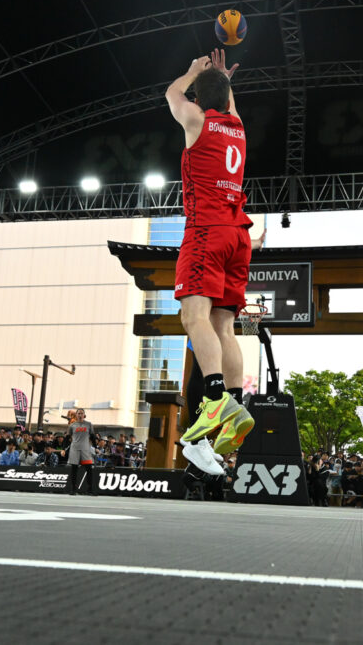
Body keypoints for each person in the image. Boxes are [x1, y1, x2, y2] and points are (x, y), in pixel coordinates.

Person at [165, 48, 255, 476]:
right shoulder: (238, 127)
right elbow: (226, 101)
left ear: (200, 100)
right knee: (224, 327)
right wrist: (222, 81)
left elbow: (171, 94)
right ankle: (235, 405)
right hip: (239, 235)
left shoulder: (196, 120)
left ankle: (215, 403)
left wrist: (191, 71)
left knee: (193, 318)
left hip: (207, 230)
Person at [61, 408, 97, 495]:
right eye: (78, 413)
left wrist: (96, 447)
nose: (80, 415)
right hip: (74, 449)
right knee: (74, 469)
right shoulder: (72, 425)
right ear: (76, 415)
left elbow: (92, 437)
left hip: (85, 449)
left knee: (89, 469)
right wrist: (63, 449)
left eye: (81, 413)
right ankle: (73, 490)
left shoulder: (89, 424)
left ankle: (90, 490)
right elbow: (67, 438)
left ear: (84, 415)